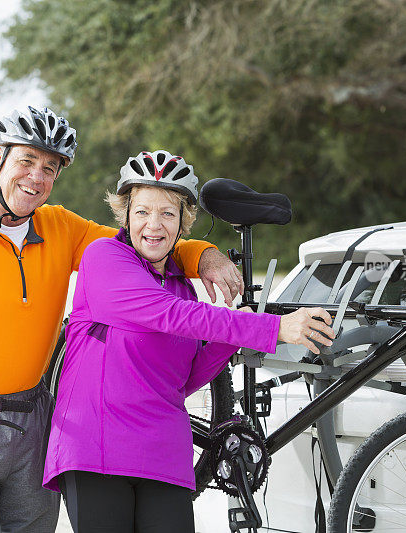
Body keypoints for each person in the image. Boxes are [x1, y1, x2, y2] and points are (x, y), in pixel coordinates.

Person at [0, 107, 245, 532]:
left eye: (49, 168)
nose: (36, 177)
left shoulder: (61, 227)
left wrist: (202, 253)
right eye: (26, 161)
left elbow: (142, 241)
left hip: (33, 421)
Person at [43, 150, 335, 533]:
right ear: (126, 215)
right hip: (97, 445)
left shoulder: (183, 288)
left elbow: (184, 378)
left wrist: (230, 337)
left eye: (167, 213)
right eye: (143, 211)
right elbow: (166, 314)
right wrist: (272, 328)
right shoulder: (104, 258)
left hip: (164, 448)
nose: (154, 224)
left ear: (183, 221)